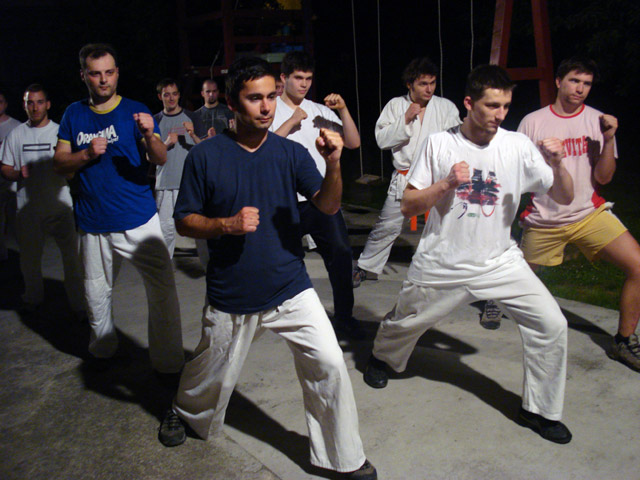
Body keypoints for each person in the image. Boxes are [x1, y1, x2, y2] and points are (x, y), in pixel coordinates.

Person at [158, 57, 377, 480]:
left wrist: (334, 164)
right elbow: (184, 220)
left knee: (330, 362)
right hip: (233, 290)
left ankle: (343, 458)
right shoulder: (205, 156)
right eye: (254, 98)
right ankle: (182, 409)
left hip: (290, 285)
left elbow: (328, 206)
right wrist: (225, 225)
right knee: (211, 370)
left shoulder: (290, 152)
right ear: (231, 102)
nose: (265, 107)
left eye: (270, 97)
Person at [363, 65, 575, 445]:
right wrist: (446, 183)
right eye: (492, 105)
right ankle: (382, 357)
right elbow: (409, 205)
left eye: (505, 106)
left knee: (551, 324)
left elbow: (563, 195)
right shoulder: (440, 144)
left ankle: (539, 411)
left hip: (500, 261)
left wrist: (558, 164)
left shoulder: (516, 145)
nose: (500, 114)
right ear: (468, 103)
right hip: (443, 260)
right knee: (405, 323)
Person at [52, 43, 184, 374]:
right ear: (83, 75)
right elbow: (59, 163)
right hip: (93, 221)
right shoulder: (73, 114)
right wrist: (86, 154)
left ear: (117, 73)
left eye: (109, 72)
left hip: (138, 218)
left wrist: (150, 135)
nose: (103, 80)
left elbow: (160, 158)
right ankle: (103, 350)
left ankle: (168, 364)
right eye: (95, 74)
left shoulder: (135, 111)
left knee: (163, 290)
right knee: (96, 292)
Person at [502, 56, 639, 372]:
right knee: (514, 284)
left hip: (589, 214)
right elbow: (517, 174)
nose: (580, 89)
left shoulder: (598, 121)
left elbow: (604, 177)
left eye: (587, 83)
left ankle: (623, 341)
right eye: (574, 81)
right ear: (558, 82)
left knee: (638, 266)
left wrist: (609, 139)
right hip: (544, 219)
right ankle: (493, 299)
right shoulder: (533, 122)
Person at [271, 51, 364, 339]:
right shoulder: (270, 109)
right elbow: (264, 149)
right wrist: (292, 121)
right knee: (286, 260)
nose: (304, 84)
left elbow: (353, 142)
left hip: (321, 198)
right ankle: (287, 315)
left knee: (341, 254)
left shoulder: (319, 110)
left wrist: (343, 110)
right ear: (284, 78)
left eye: (308, 79)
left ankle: (345, 316)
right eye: (298, 78)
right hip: (285, 200)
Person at [353, 57, 461, 287]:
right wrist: (405, 119)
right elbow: (382, 140)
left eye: (432, 83)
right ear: (409, 84)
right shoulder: (395, 106)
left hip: (437, 177)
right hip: (406, 176)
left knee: (447, 226)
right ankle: (366, 267)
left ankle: (452, 273)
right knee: (388, 226)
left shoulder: (446, 107)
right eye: (423, 84)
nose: (429, 89)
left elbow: (456, 140)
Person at [0, 84, 84, 314]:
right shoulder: (16, 134)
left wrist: (68, 169)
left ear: (48, 104)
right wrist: (17, 174)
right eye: (30, 102)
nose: (35, 107)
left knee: (72, 260)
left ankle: (79, 305)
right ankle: (33, 298)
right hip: (28, 209)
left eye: (39, 102)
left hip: (60, 208)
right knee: (29, 260)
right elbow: (5, 167)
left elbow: (72, 170)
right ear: (24, 105)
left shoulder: (60, 132)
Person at [154, 78, 206, 257]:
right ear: (160, 97)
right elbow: (149, 155)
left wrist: (192, 134)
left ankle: (208, 265)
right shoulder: (156, 120)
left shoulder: (192, 117)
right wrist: (166, 143)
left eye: (174, 94)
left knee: (198, 228)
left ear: (178, 95)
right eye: (166, 95)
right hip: (165, 183)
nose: (171, 98)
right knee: (165, 231)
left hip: (189, 184)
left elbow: (204, 148)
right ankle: (165, 266)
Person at [0, 89, 21, 261]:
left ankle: (24, 254)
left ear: (6, 104)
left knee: (16, 220)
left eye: (0, 102)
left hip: (12, 182)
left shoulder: (16, 126)